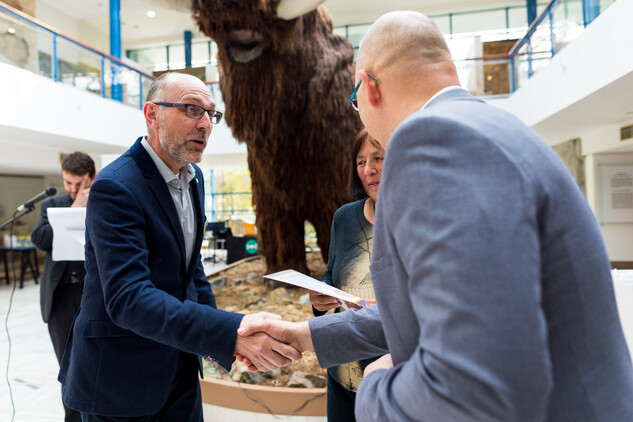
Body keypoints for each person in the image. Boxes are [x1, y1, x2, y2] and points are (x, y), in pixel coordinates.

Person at [237, 11, 633, 422]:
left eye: (355, 101)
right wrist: (305, 337)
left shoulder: (433, 141)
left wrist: (375, 384)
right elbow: (435, 308)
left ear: (369, 88)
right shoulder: (495, 129)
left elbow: (475, 386)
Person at [58, 72, 301, 421]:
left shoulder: (193, 177)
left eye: (210, 114)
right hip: (121, 377)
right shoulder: (116, 186)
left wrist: (222, 340)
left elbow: (191, 270)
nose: (205, 124)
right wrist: (227, 332)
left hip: (180, 365)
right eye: (191, 109)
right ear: (152, 114)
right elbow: (129, 298)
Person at [309, 128, 383, 422]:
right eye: (361, 161)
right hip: (342, 371)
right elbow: (331, 275)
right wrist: (320, 296)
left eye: (378, 158)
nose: (369, 169)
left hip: (391, 377)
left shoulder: (416, 220)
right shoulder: (344, 217)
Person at [31, 151, 96, 422]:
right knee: (66, 369)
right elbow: (40, 238)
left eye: (78, 183)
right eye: (68, 183)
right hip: (60, 298)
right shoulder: (53, 205)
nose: (73, 189)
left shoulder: (104, 202)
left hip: (92, 296)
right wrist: (73, 211)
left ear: (91, 178)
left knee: (92, 366)